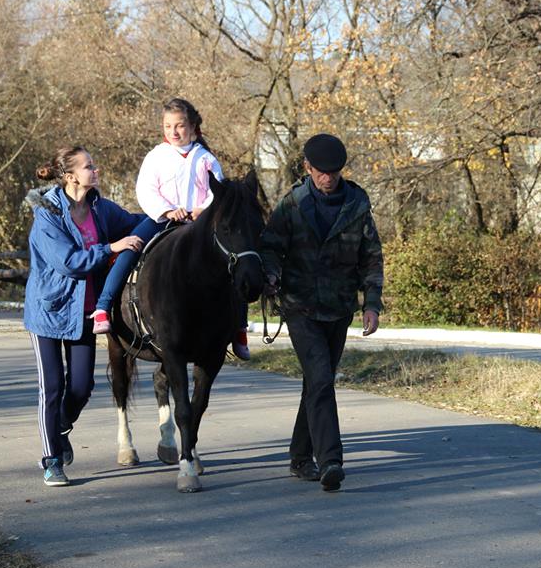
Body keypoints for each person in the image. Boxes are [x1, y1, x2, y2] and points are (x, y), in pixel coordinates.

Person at [259, 133, 384, 492]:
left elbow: (371, 257)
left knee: (317, 382)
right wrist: (271, 275)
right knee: (321, 379)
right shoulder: (292, 204)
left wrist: (371, 304)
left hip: (340, 307)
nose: (327, 178)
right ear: (307, 167)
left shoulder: (357, 204)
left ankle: (300, 455)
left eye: (334, 171)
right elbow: (270, 247)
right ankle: (330, 459)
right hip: (300, 306)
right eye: (321, 171)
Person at [91, 98, 253, 360]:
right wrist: (167, 210)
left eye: (179, 126)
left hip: (199, 224)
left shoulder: (206, 158)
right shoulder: (156, 157)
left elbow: (218, 191)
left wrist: (204, 209)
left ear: (192, 127)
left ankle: (239, 329)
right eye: (168, 126)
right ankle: (103, 305)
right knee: (131, 248)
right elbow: (145, 190)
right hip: (161, 219)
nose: (174, 132)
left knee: (234, 259)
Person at [23, 146, 144, 487]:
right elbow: (68, 262)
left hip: (83, 312)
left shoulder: (99, 208)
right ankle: (51, 460)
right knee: (52, 387)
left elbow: (135, 222)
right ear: (70, 175)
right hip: (48, 310)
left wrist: (170, 215)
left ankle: (60, 428)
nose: (96, 170)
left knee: (81, 387)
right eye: (89, 166)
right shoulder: (47, 213)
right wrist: (111, 248)